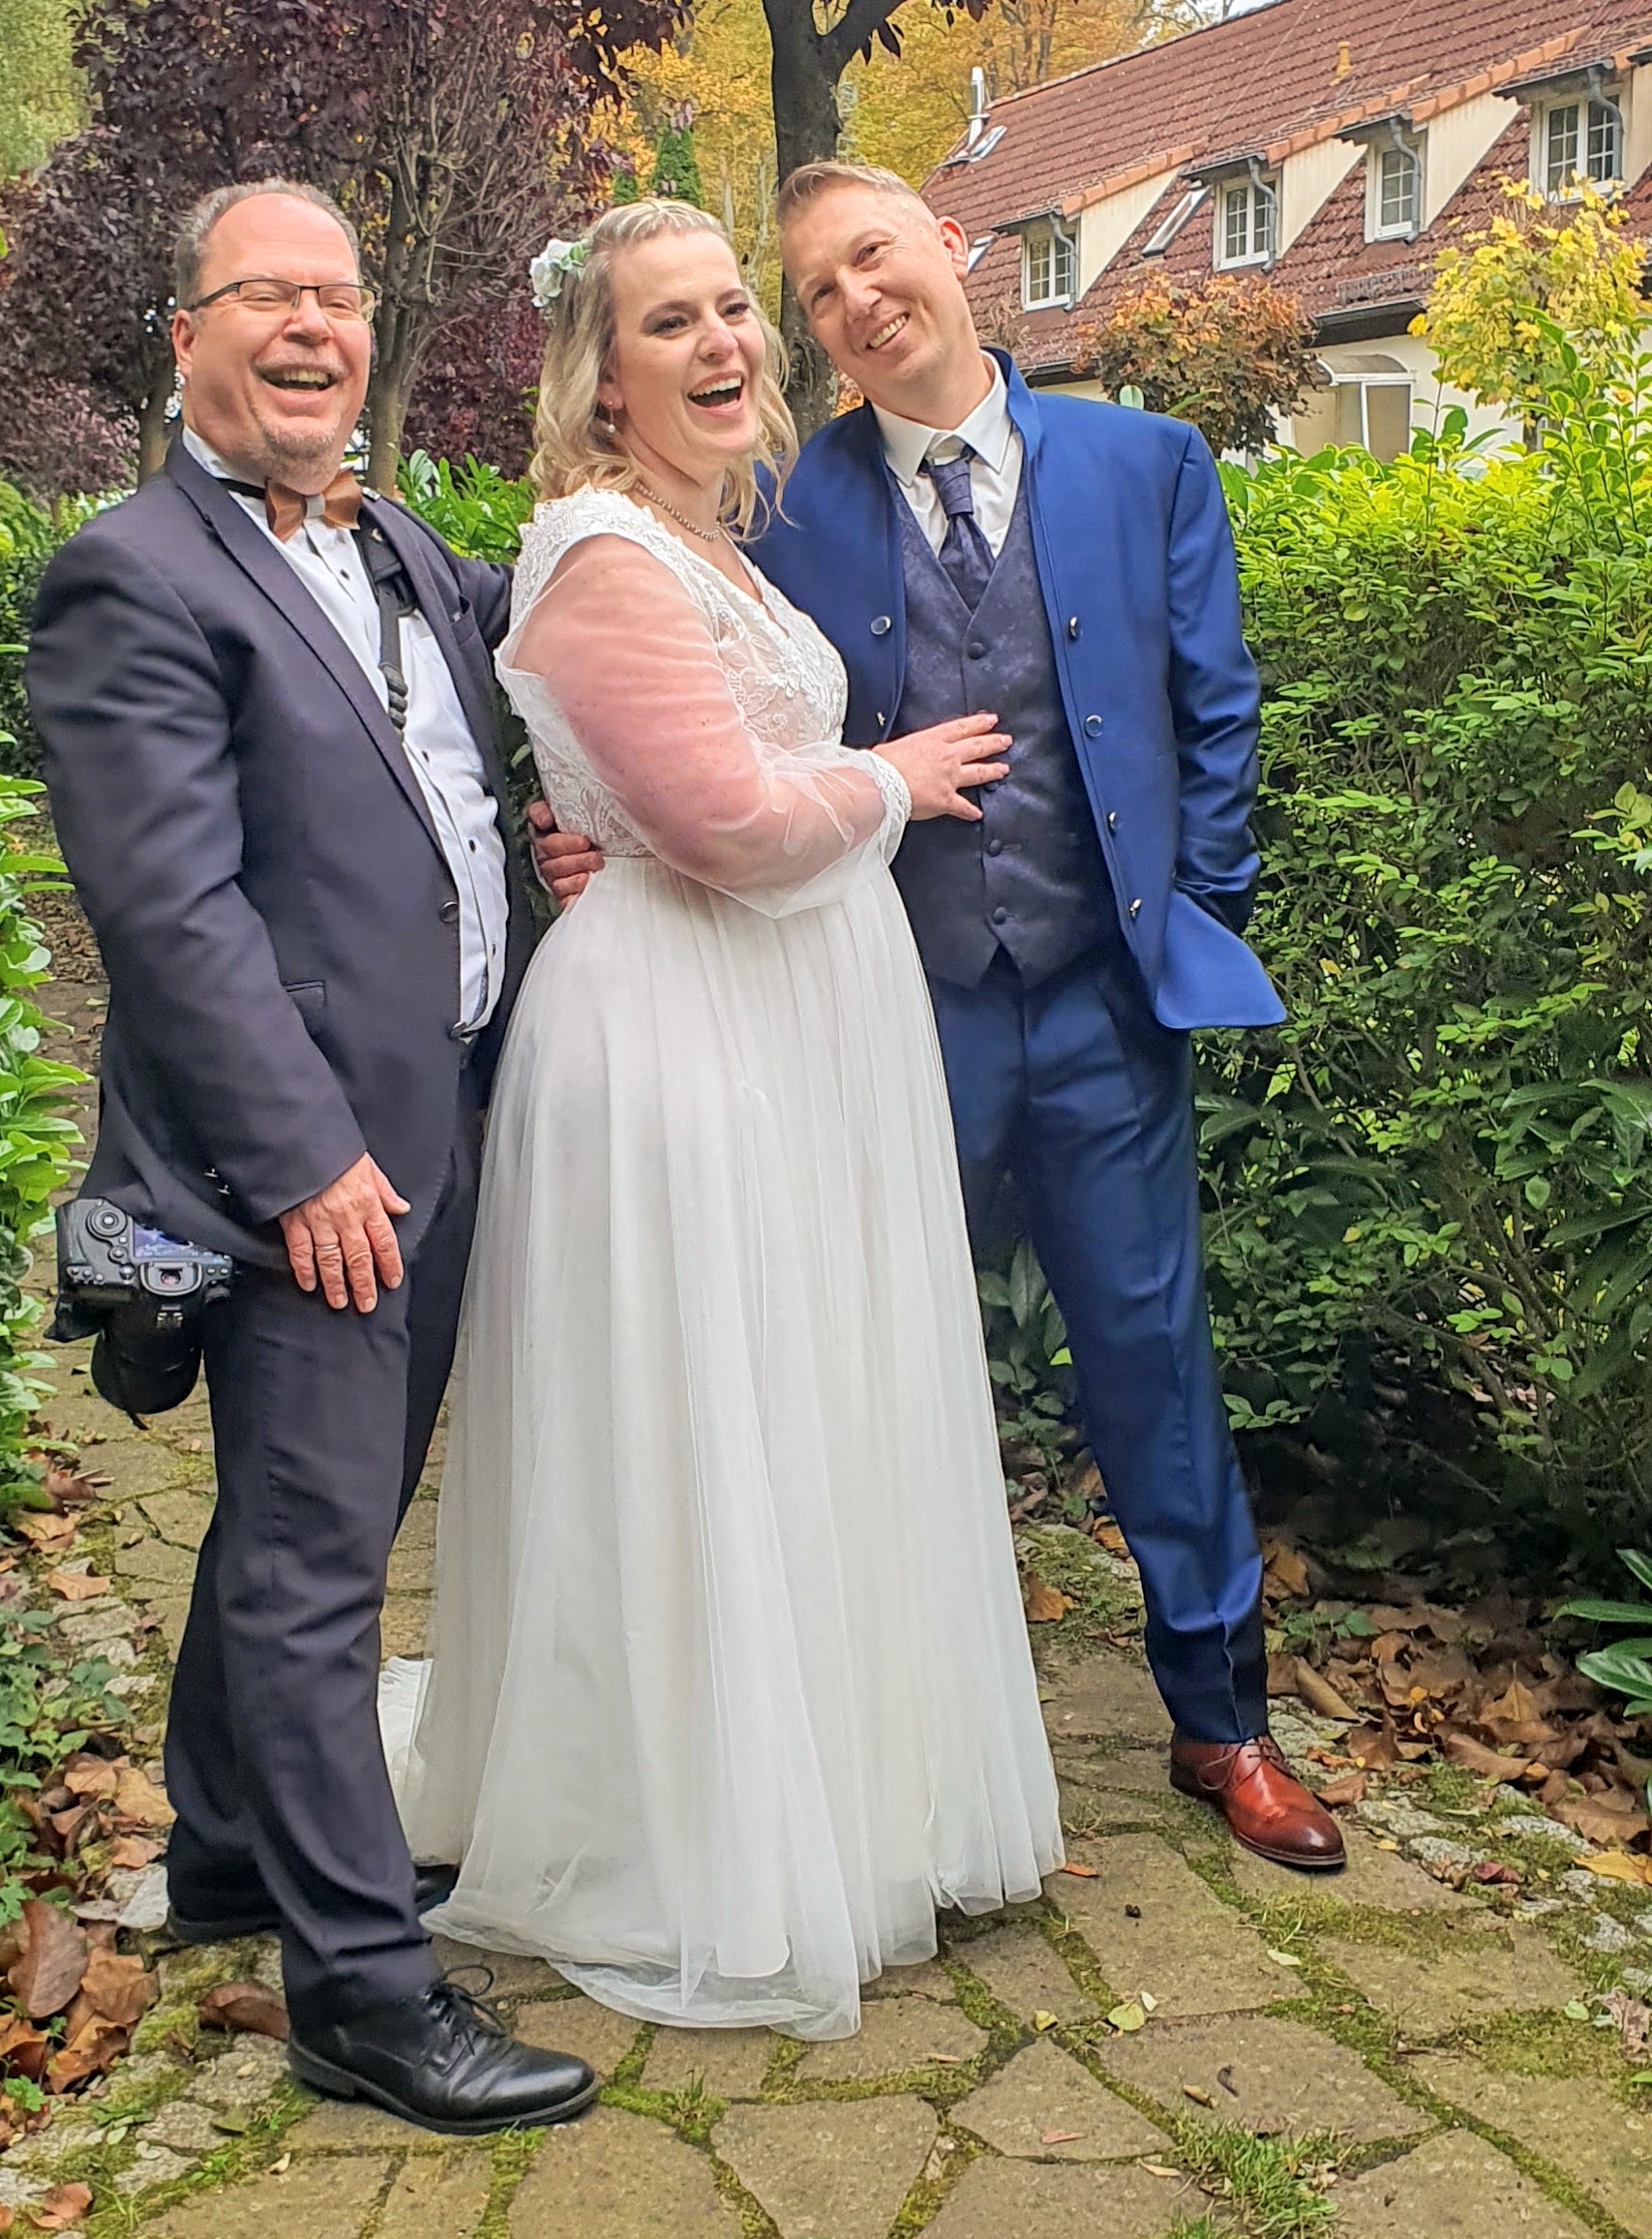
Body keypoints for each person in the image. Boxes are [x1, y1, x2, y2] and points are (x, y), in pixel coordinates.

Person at [540, 164, 1345, 1871]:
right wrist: (592, 822)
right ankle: (870, 1737)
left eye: (874, 258)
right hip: (889, 1014)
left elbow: (1215, 712)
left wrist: (1191, 920)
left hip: (1103, 1005)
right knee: (862, 1362)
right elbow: (658, 681)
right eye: (818, 290)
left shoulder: (1146, 462)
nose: (856, 302)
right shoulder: (774, 501)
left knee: (1154, 1364)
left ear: (953, 247)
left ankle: (1225, 1724)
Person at [396, 198, 1063, 2042]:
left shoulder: (717, 544)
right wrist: (895, 776)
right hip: (682, 1031)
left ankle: (831, 1786)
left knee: (796, 1394)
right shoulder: (604, 550)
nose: (722, 345)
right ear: (599, 379)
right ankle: (686, 1828)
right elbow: (729, 830)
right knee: (703, 1402)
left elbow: (679, 784)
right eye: (669, 324)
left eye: (728, 312)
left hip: (783, 1021)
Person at [25, 179, 598, 2133]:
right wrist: (304, 1164)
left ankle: (222, 1851)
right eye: (263, 294)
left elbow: (461, 764)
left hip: (444, 1116)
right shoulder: (130, 577)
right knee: (311, 1567)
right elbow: (169, 914)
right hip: (312, 1171)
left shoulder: (401, 543)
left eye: (335, 298)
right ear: (185, 332)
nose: (308, 327)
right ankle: (360, 1991)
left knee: (296, 1525)